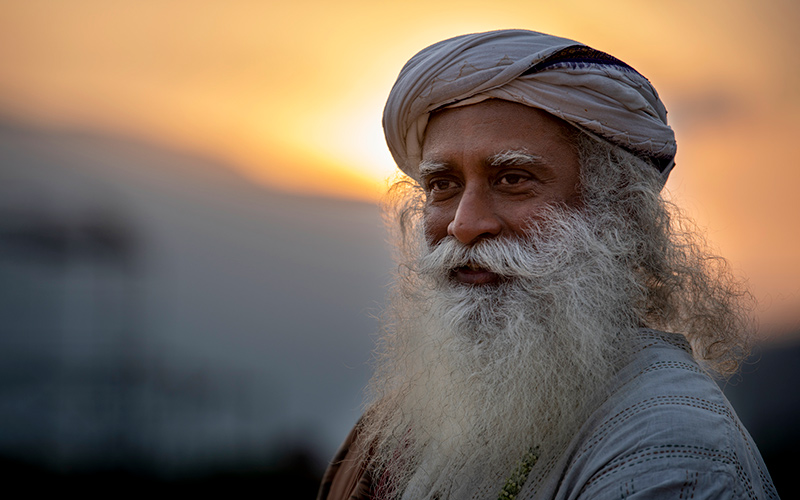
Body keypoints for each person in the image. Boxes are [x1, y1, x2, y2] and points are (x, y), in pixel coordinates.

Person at [318, 29, 778, 500]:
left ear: (615, 211)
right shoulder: (421, 427)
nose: (464, 224)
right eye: (443, 184)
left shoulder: (669, 444)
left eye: (513, 178)